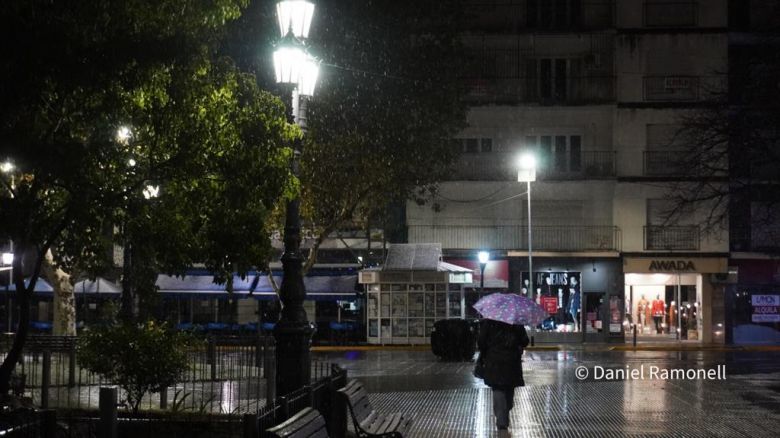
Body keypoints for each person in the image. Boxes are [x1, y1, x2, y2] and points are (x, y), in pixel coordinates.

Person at [474, 319, 530, 434]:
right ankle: (502, 420)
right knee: (508, 390)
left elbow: (481, 342)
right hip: (511, 361)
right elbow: (525, 341)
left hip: (494, 360)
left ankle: (501, 418)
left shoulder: (489, 322)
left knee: (498, 388)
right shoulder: (516, 322)